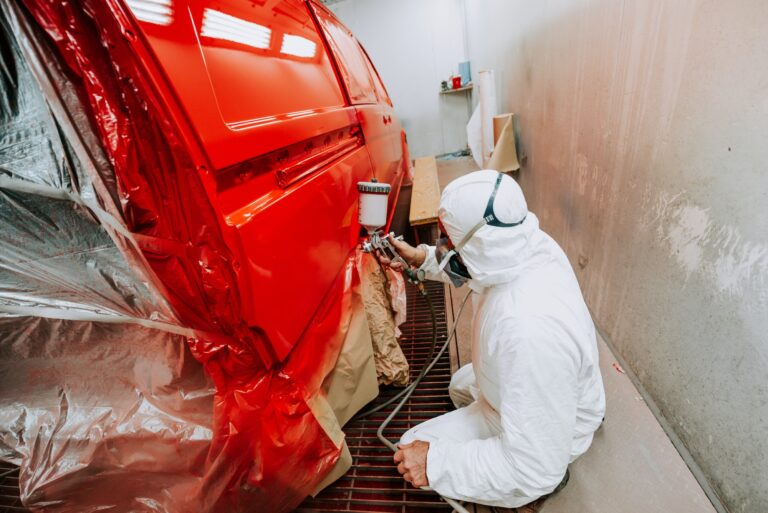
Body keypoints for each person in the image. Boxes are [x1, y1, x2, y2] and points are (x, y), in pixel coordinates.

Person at [377, 170, 605, 509]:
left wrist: (436, 463)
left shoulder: (529, 328)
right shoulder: (524, 243)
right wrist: (423, 259)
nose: (443, 248)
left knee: (413, 447)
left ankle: (549, 478)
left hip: (548, 442)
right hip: (549, 386)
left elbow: (534, 467)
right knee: (458, 385)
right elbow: (475, 261)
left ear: (479, 246)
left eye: (449, 244)